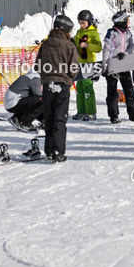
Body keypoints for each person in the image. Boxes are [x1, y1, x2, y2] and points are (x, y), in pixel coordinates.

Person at [34, 15, 81, 162]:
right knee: (59, 119)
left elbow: (37, 66)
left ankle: (49, 151)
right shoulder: (69, 46)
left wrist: (47, 74)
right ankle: (58, 151)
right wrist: (68, 76)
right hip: (62, 85)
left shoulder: (45, 44)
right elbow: (74, 68)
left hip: (48, 85)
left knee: (49, 118)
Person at [101, 10, 134, 124]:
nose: (129, 21)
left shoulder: (128, 33)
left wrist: (126, 54)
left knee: (129, 89)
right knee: (112, 91)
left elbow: (131, 46)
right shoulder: (112, 33)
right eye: (127, 19)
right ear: (122, 21)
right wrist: (105, 64)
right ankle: (114, 116)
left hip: (123, 64)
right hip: (112, 65)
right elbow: (107, 49)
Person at [73, 10, 102, 121]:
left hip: (89, 65)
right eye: (80, 23)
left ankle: (91, 112)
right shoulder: (79, 32)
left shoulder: (93, 33)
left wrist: (88, 45)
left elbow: (99, 47)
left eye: (83, 23)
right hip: (79, 64)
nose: (82, 25)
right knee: (79, 88)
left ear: (89, 22)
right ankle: (81, 111)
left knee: (87, 87)